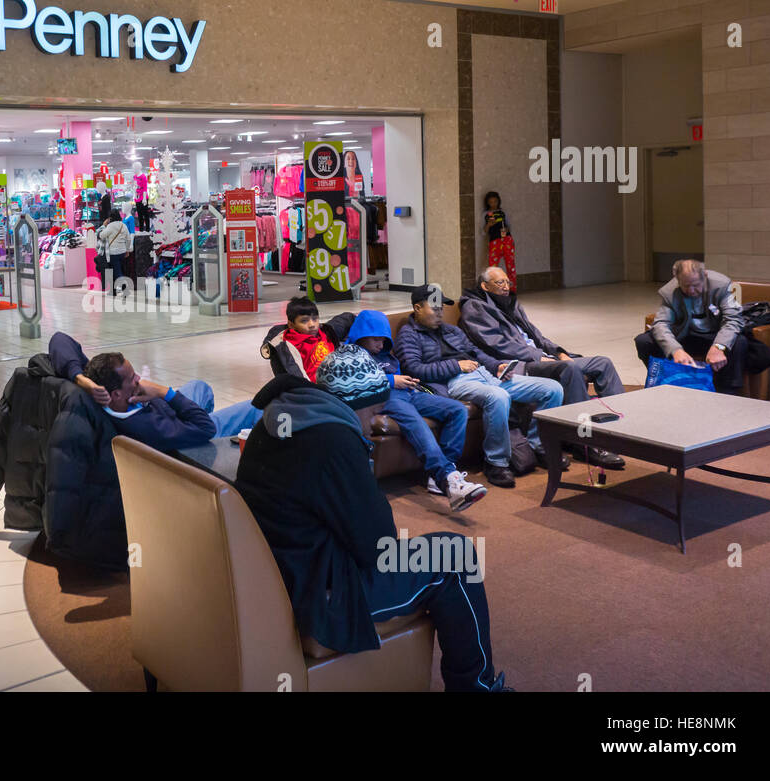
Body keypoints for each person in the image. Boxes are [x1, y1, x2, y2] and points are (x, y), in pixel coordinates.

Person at [234, 346, 511, 692]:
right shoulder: (335, 441)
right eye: (376, 410)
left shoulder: (277, 420)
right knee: (455, 556)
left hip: (279, 573)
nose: (374, 422)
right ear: (357, 404)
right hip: (322, 592)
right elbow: (379, 548)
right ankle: (477, 687)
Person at [394, 285, 565, 489]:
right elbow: (414, 368)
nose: (440, 313)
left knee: (553, 389)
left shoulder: (451, 330)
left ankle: (541, 446)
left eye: (441, 308)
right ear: (417, 308)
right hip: (455, 381)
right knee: (498, 396)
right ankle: (496, 463)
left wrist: (496, 366)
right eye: (434, 308)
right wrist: (455, 366)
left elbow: (475, 352)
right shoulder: (409, 335)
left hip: (485, 375)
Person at [460, 266, 625, 469]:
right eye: (499, 283)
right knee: (570, 370)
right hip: (522, 364)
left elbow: (536, 336)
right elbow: (498, 345)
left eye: (507, 282)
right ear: (484, 286)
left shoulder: (511, 303)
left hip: (543, 357)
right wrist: (540, 357)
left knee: (602, 363)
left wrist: (558, 352)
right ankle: (584, 443)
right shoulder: (475, 307)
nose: (505, 287)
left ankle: (620, 432)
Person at [348, 310, 487, 512]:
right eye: (375, 339)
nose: (380, 344)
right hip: (384, 396)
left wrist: (405, 381)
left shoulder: (385, 354)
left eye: (383, 340)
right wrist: (391, 381)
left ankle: (443, 476)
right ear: (361, 336)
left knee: (457, 410)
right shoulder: (349, 354)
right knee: (415, 421)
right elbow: (351, 382)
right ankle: (448, 479)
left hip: (409, 391)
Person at [48, 332, 260, 450]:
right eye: (132, 378)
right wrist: (162, 392)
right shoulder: (147, 426)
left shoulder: (97, 388)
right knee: (255, 407)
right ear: (116, 394)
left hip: (165, 413)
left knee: (200, 387)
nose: (139, 379)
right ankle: (204, 448)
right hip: (178, 427)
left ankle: (192, 419)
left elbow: (59, 339)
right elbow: (206, 428)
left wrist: (79, 377)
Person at [634, 259, 749, 394]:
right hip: (685, 334)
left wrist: (719, 346)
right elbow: (661, 324)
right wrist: (675, 350)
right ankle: (665, 380)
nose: (691, 290)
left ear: (704, 276)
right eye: (686, 286)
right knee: (643, 341)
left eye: (695, 285)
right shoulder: (669, 292)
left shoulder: (724, 285)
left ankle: (728, 391)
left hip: (714, 334)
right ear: (677, 280)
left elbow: (734, 319)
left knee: (739, 342)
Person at [265, 297, 356, 381]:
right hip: (316, 389)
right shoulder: (291, 344)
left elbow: (347, 319)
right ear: (291, 325)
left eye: (315, 319)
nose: (312, 325)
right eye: (304, 321)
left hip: (340, 379)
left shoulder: (325, 332)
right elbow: (297, 377)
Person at [483, 192, 516, 290]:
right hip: (494, 241)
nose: (493, 204)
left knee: (511, 266)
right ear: (487, 203)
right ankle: (493, 289)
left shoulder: (503, 213)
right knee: (492, 267)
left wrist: (506, 231)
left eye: (495, 201)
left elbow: (509, 226)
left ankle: (512, 289)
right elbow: (483, 231)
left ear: (498, 201)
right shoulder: (485, 214)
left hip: (507, 240)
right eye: (491, 202)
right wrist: (489, 224)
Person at [98, 209, 130, 295]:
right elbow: (128, 239)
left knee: (116, 271)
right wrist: (127, 250)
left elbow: (101, 235)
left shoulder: (110, 226)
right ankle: (114, 290)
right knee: (119, 269)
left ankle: (123, 285)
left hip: (113, 252)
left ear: (110, 217)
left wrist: (103, 225)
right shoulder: (123, 225)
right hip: (122, 251)